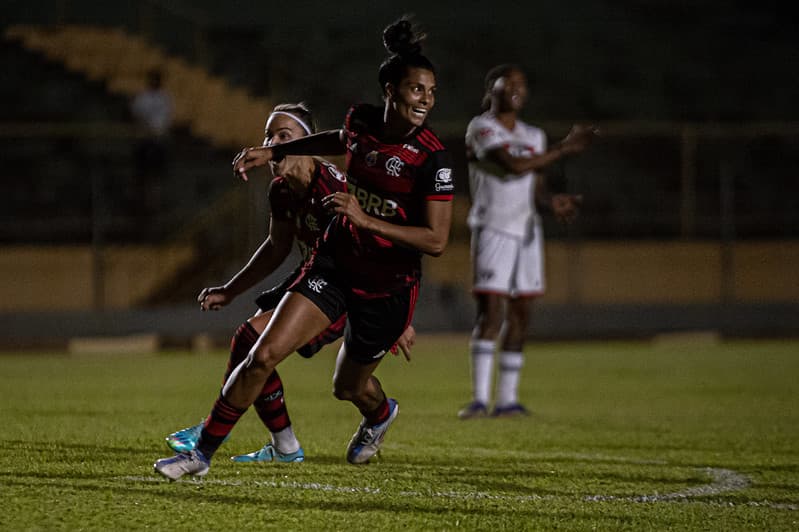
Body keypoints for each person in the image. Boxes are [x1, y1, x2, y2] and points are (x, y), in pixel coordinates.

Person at [154, 17, 453, 480]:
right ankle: (203, 454)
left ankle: (377, 415)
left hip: (387, 287)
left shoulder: (432, 158)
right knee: (260, 351)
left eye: (431, 92)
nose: (426, 100)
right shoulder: (361, 122)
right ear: (390, 90)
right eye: (417, 89)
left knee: (347, 386)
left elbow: (436, 240)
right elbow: (339, 140)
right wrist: (273, 154)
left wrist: (364, 218)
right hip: (334, 267)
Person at [163, 103, 417, 464]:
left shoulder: (333, 187)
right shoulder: (282, 191)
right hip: (317, 283)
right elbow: (276, 248)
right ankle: (292, 443)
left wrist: (397, 316)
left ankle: (267, 438)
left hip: (355, 291)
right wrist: (231, 290)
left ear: (309, 143)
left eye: (284, 136)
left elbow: (378, 246)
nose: (272, 143)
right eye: (269, 136)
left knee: (341, 382)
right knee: (264, 348)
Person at [458, 64, 598, 419]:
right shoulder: (481, 127)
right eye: (510, 83)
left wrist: (553, 203)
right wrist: (564, 148)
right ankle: (477, 399)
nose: (518, 89)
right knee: (491, 312)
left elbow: (533, 185)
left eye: (523, 84)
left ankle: (507, 401)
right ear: (493, 88)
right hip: (493, 228)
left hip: (527, 233)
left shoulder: (533, 135)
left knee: (521, 314)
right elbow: (512, 167)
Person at [130, 68, 173, 213]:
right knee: (142, 175)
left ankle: (154, 204)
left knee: (157, 176)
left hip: (159, 140)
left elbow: (166, 120)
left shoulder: (165, 98)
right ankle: (141, 202)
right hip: (145, 139)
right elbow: (137, 117)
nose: (155, 82)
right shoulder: (142, 97)